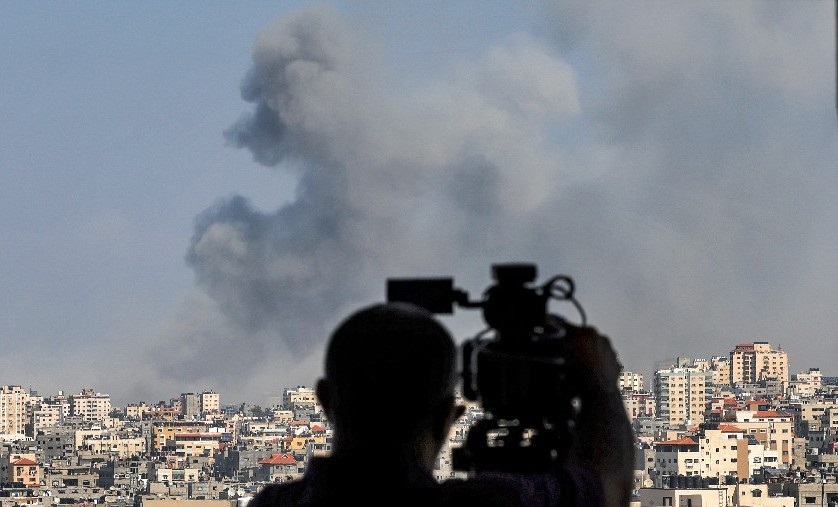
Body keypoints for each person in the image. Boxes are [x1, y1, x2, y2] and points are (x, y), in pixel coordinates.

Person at [247, 302, 634, 507]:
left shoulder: (275, 503)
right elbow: (606, 489)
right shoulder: (490, 505)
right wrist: (600, 385)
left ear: (325, 400)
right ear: (450, 414)